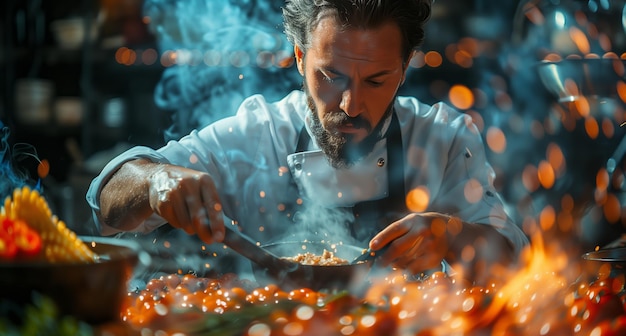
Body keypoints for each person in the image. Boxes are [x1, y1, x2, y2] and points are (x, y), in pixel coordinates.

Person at [87, 0, 529, 285]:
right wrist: (154, 180)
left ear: (406, 66)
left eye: (376, 80)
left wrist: (454, 236)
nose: (351, 105)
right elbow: (105, 204)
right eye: (331, 76)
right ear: (300, 57)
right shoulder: (256, 134)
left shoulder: (444, 140)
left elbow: (513, 259)